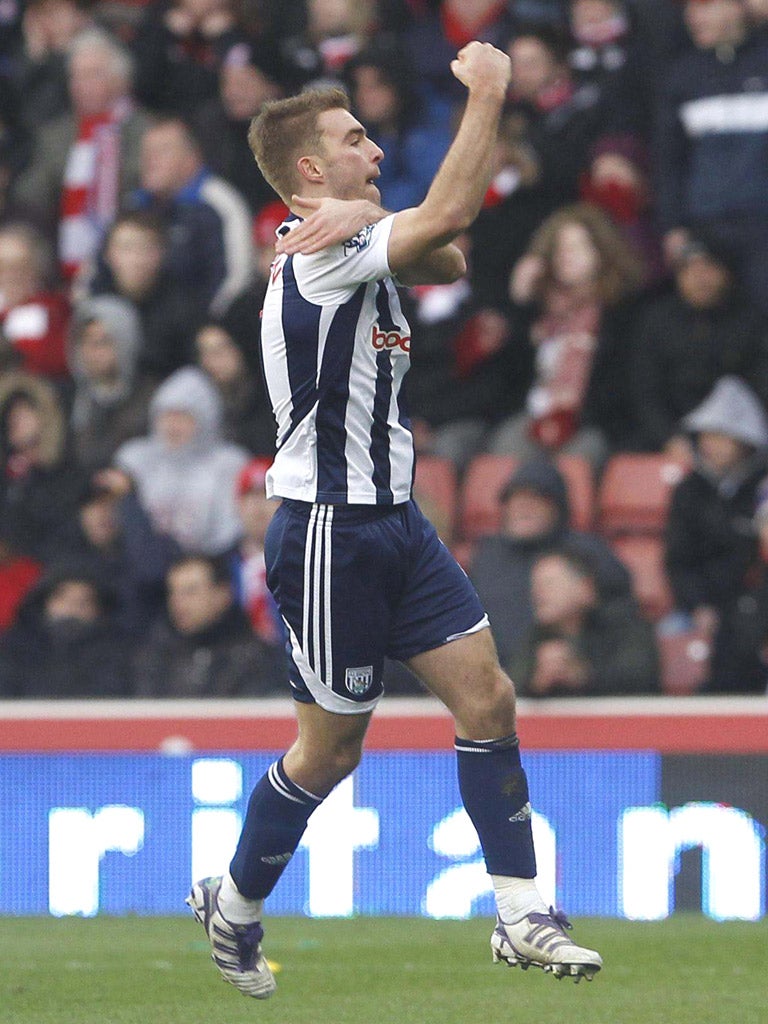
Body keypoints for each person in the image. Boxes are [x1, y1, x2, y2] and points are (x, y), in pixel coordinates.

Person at [185, 42, 602, 1000]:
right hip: (327, 528)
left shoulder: (350, 239)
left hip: (396, 524)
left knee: (489, 700)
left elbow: (449, 251)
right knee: (330, 750)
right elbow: (451, 215)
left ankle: (521, 912)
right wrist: (490, 92)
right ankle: (236, 905)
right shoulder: (317, 258)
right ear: (308, 172)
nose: (375, 149)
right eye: (355, 140)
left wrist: (371, 212)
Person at [12, 27, 152, 283]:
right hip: (60, 259)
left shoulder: (146, 130)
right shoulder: (56, 135)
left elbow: (143, 186)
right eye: (75, 77)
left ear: (121, 79)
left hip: (131, 252)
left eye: (92, 75)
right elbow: (32, 197)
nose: (80, 86)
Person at [655, 0, 768, 314]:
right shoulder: (682, 76)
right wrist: (673, 225)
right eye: (690, 8)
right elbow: (670, 160)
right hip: (706, 227)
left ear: (736, 7)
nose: (693, 17)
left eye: (705, 6)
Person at [470, 457, 631, 668]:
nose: (523, 507)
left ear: (558, 506)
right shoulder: (486, 556)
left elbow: (621, 623)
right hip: (493, 676)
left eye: (535, 498)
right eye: (514, 499)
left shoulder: (589, 552)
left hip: (572, 682)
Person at [664, 376, 768, 692]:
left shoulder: (761, 489)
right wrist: (697, 606)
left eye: (722, 435)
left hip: (756, 606)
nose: (711, 444)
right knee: (672, 635)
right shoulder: (688, 491)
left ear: (744, 440)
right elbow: (678, 559)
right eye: (707, 435)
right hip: (703, 605)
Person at [631, 234, 768, 461]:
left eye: (709, 267)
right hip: (671, 433)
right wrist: (668, 438)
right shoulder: (656, 321)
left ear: (726, 272)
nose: (699, 277)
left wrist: (735, 437)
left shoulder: (752, 322)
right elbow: (644, 391)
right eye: (689, 269)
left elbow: (760, 387)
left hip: (739, 437)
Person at [114, 365, 250, 555]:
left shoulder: (229, 464)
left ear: (206, 420)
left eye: (183, 417)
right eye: (167, 415)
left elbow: (229, 531)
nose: (172, 426)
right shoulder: (135, 460)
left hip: (207, 569)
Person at [130, 117, 254, 316]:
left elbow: (238, 276)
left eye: (162, 151)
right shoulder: (134, 205)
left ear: (191, 158)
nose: (150, 160)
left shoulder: (220, 202)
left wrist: (209, 325)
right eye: (146, 152)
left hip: (206, 327)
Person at [507, 546, 660, 696]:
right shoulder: (535, 636)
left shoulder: (626, 627)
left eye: (549, 583)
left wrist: (583, 676)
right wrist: (536, 683)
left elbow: (641, 680)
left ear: (585, 588)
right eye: (535, 585)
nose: (538, 593)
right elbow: (507, 689)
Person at [133, 553, 284, 697]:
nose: (178, 603)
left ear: (222, 594)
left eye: (190, 592)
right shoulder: (156, 655)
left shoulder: (254, 658)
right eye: (173, 592)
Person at [0, 561, 131, 698]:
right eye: (63, 598)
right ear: (45, 603)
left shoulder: (116, 652)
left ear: (98, 611)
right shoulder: (15, 649)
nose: (71, 609)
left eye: (84, 602)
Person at [68, 295, 157, 472]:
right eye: (85, 341)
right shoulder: (69, 400)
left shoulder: (151, 399)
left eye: (103, 342)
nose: (92, 352)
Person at [0, 222, 70, 379]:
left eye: (19, 267)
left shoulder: (54, 313)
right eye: (2, 267)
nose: (10, 276)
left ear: (36, 270)